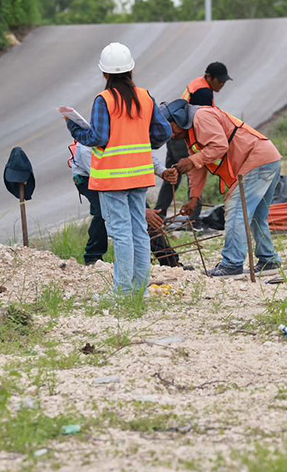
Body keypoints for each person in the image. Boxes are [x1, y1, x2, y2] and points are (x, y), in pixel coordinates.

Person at [65, 42, 174, 294]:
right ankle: (140, 290)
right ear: (131, 70)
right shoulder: (145, 97)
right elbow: (163, 132)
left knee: (122, 232)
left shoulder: (104, 100)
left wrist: (73, 127)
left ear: (105, 74)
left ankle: (124, 292)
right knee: (138, 230)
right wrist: (142, 142)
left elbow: (98, 138)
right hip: (139, 174)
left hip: (113, 178)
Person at [161, 98, 282, 278]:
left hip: (256, 161)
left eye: (170, 128)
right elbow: (198, 166)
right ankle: (268, 260)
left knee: (236, 211)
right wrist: (194, 197)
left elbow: (219, 146)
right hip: (266, 159)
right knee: (257, 215)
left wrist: (192, 160)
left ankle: (232, 265)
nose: (170, 135)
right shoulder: (191, 133)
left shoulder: (202, 117)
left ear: (177, 119)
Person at [69, 141, 185, 269]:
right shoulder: (88, 146)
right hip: (91, 177)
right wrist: (141, 210)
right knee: (103, 211)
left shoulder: (126, 131)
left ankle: (169, 261)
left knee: (145, 217)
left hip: (121, 172)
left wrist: (162, 172)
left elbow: (142, 152)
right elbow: (105, 183)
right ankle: (93, 256)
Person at [156, 62, 232, 219]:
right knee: (193, 165)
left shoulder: (197, 83)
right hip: (183, 135)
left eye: (224, 82)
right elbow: (202, 119)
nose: (222, 85)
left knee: (173, 173)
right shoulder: (204, 92)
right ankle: (194, 217)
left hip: (175, 134)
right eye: (220, 81)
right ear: (209, 77)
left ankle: (160, 212)